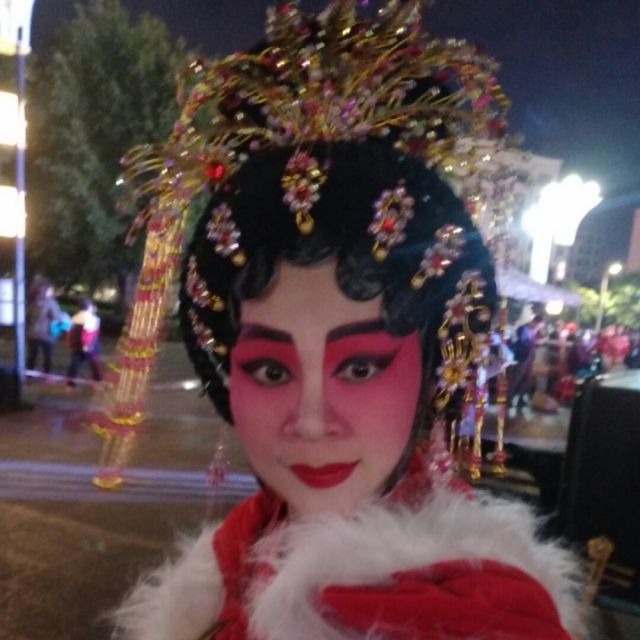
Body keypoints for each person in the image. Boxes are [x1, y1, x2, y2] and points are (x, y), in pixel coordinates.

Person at [110, 3, 582, 639]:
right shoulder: (224, 562)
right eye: (270, 369)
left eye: (360, 366)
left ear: (433, 369)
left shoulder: (486, 615)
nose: (310, 421)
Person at [507, 314, 545, 409]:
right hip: (521, 357)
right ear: (535, 322)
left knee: (526, 379)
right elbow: (523, 342)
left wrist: (538, 339)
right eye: (539, 325)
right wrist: (536, 341)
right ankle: (509, 399)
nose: (538, 327)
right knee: (516, 378)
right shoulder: (523, 329)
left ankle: (520, 399)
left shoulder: (533, 330)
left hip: (529, 357)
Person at [26, 281, 62, 375]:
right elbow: (57, 318)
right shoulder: (51, 303)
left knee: (32, 355)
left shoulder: (32, 302)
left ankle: (29, 373)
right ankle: (47, 374)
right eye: (50, 290)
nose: (52, 291)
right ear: (46, 291)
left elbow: (27, 317)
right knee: (48, 356)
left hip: (32, 333)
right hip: (46, 334)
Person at [66, 298, 102, 386]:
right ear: (89, 307)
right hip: (90, 346)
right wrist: (86, 345)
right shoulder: (93, 319)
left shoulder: (74, 318)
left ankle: (70, 384)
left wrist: (70, 344)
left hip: (76, 346)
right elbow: (90, 334)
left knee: (74, 365)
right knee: (94, 365)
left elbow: (70, 333)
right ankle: (97, 382)